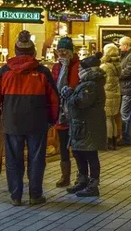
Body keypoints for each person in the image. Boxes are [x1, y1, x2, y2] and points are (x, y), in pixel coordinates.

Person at [0, 30, 59, 206]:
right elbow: (54, 98)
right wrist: (52, 119)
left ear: (16, 51)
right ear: (33, 51)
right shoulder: (42, 72)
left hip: (12, 122)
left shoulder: (5, 71)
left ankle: (15, 195)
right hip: (37, 121)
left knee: (13, 159)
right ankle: (35, 195)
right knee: (36, 159)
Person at [62, 55, 107, 198]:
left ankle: (92, 185)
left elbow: (82, 102)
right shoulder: (88, 83)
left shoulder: (91, 85)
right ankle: (83, 180)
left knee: (90, 155)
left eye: (81, 68)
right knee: (79, 153)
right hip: (82, 125)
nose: (78, 70)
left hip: (88, 126)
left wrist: (69, 94)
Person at [51, 37, 79, 186]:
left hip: (75, 112)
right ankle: (65, 175)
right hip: (61, 113)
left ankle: (81, 175)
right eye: (59, 51)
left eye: (64, 51)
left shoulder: (78, 66)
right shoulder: (56, 67)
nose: (61, 54)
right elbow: (56, 87)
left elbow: (73, 86)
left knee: (78, 146)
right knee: (63, 145)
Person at [100, 43, 122, 150]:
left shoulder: (105, 66)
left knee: (107, 118)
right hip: (116, 94)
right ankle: (114, 141)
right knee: (113, 118)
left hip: (107, 94)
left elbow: (101, 80)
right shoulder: (118, 65)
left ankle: (108, 142)